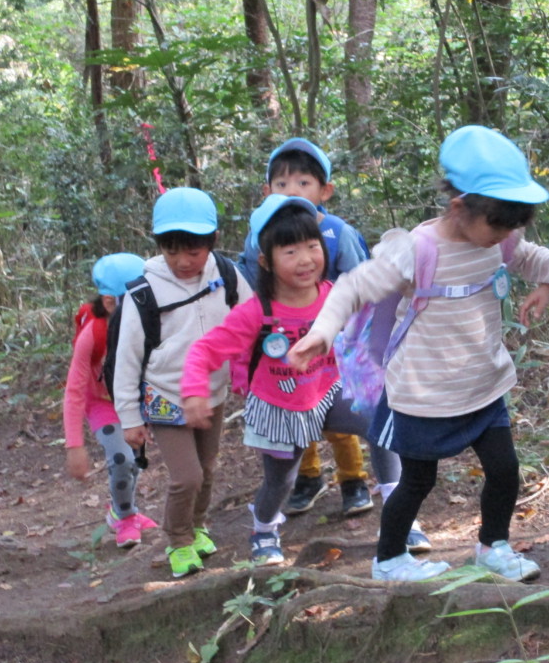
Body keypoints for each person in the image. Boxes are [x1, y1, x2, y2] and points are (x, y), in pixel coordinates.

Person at [288, 126, 549, 582]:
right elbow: (355, 287)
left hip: (483, 383)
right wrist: (322, 331)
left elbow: (528, 256)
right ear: (459, 207)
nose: (505, 236)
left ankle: (493, 546)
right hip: (423, 392)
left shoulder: (501, 238)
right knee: (417, 481)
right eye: (499, 224)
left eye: (513, 226)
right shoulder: (417, 249)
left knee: (505, 469)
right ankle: (390, 558)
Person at [181, 194, 402, 566]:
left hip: (327, 392)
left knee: (381, 423)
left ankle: (400, 517)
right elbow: (204, 351)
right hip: (280, 406)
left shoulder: (334, 294)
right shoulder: (256, 313)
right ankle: (264, 530)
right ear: (265, 261)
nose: (305, 259)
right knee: (281, 480)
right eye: (290, 251)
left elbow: (372, 323)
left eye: (312, 246)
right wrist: (193, 392)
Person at [112, 188, 254, 578]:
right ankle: (178, 540)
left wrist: (251, 367)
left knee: (207, 467)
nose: (183, 261)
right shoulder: (145, 290)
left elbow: (251, 319)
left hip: (212, 391)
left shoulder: (226, 274)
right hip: (164, 395)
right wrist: (128, 417)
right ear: (159, 246)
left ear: (211, 242)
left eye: (193, 251)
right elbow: (126, 358)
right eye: (172, 251)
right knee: (187, 475)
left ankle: (198, 526)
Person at [237, 138, 379, 521]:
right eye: (281, 185)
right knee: (295, 408)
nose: (291, 192)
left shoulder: (336, 232)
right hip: (282, 341)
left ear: (325, 190)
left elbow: (358, 281)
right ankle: (308, 477)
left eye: (303, 183)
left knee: (338, 412)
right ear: (266, 191)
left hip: (336, 342)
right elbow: (252, 280)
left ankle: (353, 479)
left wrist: (359, 335)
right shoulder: (260, 235)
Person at [63, 252, 158, 548]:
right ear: (109, 302)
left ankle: (125, 509)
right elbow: (74, 390)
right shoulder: (93, 333)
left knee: (136, 462)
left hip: (136, 400)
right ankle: (125, 516)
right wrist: (74, 445)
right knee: (121, 459)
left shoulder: (148, 319)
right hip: (102, 402)